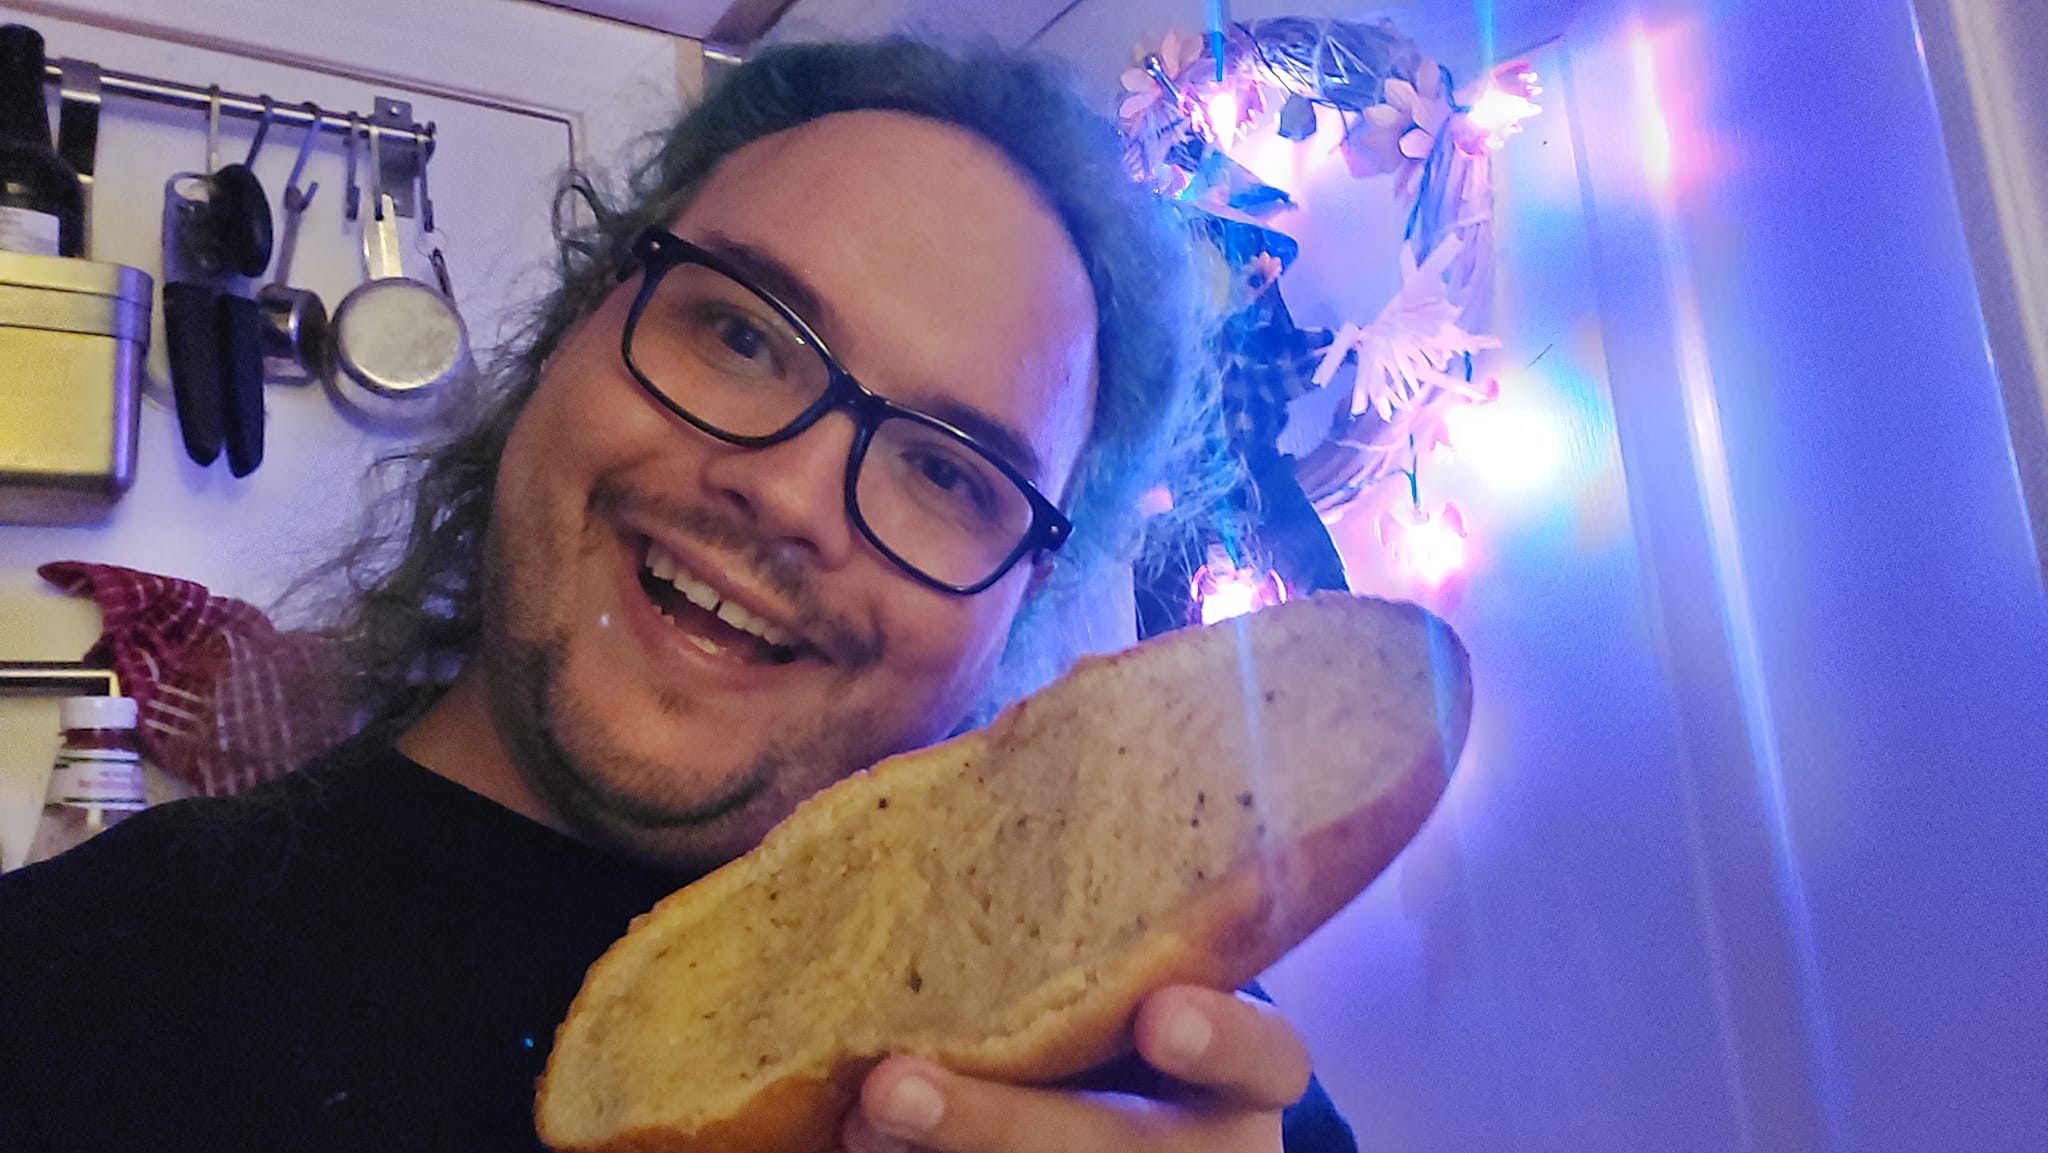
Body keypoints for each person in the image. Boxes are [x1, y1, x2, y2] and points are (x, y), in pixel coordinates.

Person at [0, 40, 1357, 1153]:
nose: (792, 496)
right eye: (744, 333)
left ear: (1021, 591)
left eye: (949, 473)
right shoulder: (63, 994)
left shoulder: (1164, 1077)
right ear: (578, 321)